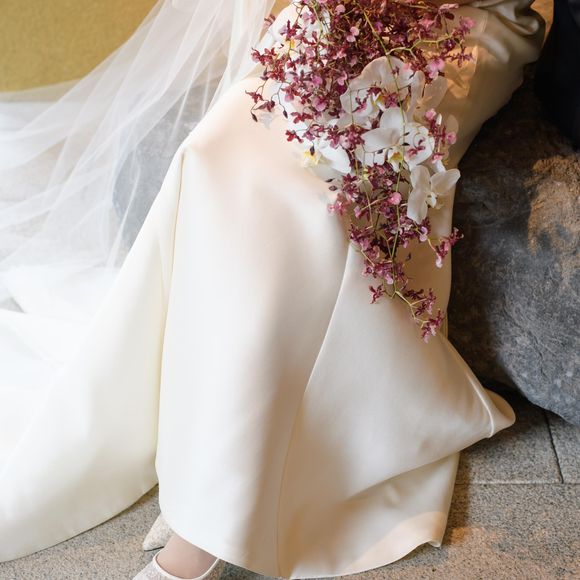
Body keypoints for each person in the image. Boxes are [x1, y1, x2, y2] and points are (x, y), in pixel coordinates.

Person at [0, 0, 544, 579]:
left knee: (308, 199)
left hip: (463, 28)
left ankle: (207, 526)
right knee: (214, 154)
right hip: (350, 20)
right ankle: (198, 432)